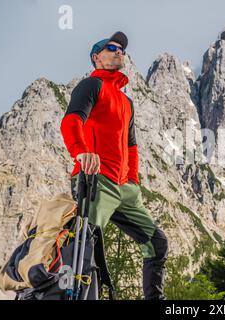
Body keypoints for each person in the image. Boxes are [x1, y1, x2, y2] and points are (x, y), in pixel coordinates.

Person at [60, 31, 168, 300]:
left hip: (125, 190)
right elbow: (71, 120)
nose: (119, 51)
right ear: (96, 57)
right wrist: (81, 152)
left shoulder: (127, 102)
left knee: (157, 243)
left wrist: (133, 182)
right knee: (84, 245)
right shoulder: (91, 86)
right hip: (97, 181)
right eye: (111, 47)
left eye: (121, 49)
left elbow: (131, 147)